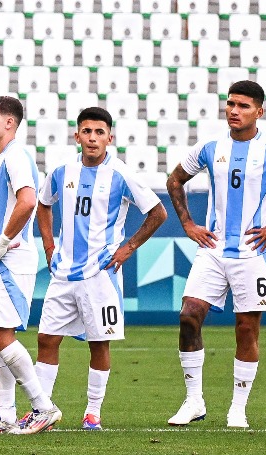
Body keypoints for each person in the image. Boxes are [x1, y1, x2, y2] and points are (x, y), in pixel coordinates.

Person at [35, 107, 167, 430]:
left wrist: (128, 248)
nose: (92, 138)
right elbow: (43, 204)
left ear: (110, 137)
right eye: (86, 131)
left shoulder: (121, 174)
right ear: (76, 136)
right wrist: (49, 247)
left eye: (99, 132)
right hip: (63, 273)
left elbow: (158, 213)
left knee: (99, 343)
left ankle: (92, 412)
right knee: (46, 339)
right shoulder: (61, 171)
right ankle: (42, 409)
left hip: (100, 274)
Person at [165, 81, 266, 429]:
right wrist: (188, 224)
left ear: (259, 111)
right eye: (230, 103)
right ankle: (193, 401)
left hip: (252, 253)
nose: (234, 110)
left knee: (246, 329)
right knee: (189, 315)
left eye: (243, 106)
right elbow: (175, 180)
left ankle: (238, 409)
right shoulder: (210, 146)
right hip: (213, 250)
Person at [0, 96, 61, 435]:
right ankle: (6, 415)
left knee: (0, 335)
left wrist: (2, 243)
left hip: (10, 261)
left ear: (9, 123)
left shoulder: (16, 157)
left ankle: (43, 406)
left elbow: (27, 201)